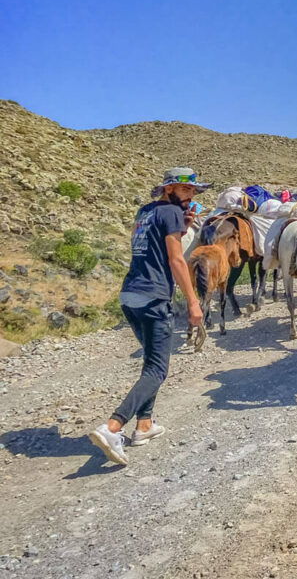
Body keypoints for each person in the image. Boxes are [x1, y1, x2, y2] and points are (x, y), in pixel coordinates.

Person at [88, 167, 207, 466]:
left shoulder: (145, 212)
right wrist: (193, 302)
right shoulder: (170, 212)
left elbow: (145, 245)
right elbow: (175, 259)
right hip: (154, 296)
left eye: (192, 190)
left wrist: (181, 226)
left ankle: (144, 425)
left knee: (151, 363)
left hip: (130, 294)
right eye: (184, 189)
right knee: (157, 370)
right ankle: (113, 428)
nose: (190, 194)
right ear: (168, 189)